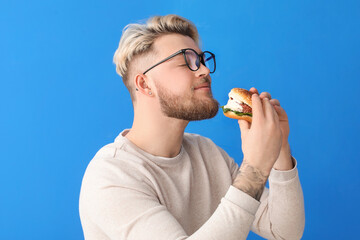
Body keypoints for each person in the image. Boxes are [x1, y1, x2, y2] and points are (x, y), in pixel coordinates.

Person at [79, 14, 305, 240]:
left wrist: (280, 149)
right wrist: (255, 167)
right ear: (145, 84)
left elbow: (284, 231)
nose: (205, 71)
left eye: (202, 60)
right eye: (187, 61)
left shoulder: (207, 153)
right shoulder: (110, 176)